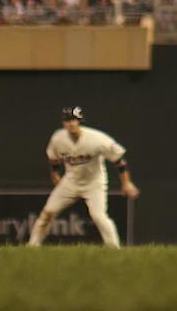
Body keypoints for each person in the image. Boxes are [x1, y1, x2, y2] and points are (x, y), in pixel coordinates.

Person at [29, 105, 137, 248]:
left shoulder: (97, 138)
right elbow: (53, 158)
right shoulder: (58, 138)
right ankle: (32, 246)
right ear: (63, 123)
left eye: (74, 120)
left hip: (94, 183)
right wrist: (54, 174)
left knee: (99, 216)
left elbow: (119, 159)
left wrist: (126, 183)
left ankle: (114, 249)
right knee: (48, 213)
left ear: (80, 121)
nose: (71, 123)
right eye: (67, 120)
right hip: (70, 181)